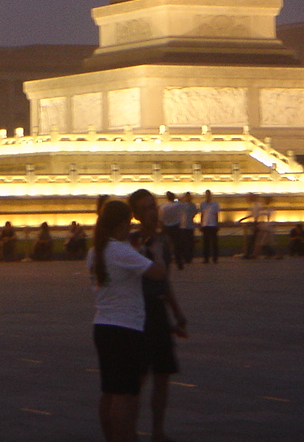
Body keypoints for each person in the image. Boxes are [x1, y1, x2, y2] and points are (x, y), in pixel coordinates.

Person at [88, 199, 166, 442]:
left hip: (103, 325)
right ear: (122, 224)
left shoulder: (95, 251)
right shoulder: (119, 251)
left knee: (109, 391)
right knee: (126, 394)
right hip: (126, 328)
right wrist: (157, 253)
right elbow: (157, 273)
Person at [128, 189, 188, 442]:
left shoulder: (163, 241)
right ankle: (130, 432)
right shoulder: (131, 243)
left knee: (162, 376)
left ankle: (157, 432)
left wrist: (177, 312)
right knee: (139, 378)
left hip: (158, 310)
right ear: (136, 215)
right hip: (138, 311)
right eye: (145, 209)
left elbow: (165, 280)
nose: (152, 213)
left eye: (153, 206)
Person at [159, 192, 186, 270]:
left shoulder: (163, 206)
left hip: (166, 227)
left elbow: (161, 218)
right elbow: (183, 202)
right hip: (176, 227)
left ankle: (166, 263)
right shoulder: (178, 205)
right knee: (178, 246)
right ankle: (179, 263)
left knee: (166, 247)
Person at [198, 190, 220, 264]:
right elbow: (202, 215)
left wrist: (217, 223)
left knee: (214, 243)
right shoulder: (203, 204)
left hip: (213, 224)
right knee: (206, 243)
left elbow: (216, 214)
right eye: (206, 195)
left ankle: (215, 258)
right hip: (205, 225)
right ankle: (206, 258)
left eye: (208, 195)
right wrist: (201, 223)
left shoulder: (215, 204)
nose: (207, 196)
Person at [238, 194, 262, 259]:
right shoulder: (255, 205)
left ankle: (249, 254)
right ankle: (250, 253)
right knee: (253, 239)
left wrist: (242, 219)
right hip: (255, 223)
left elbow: (253, 215)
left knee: (252, 239)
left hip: (255, 223)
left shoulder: (255, 205)